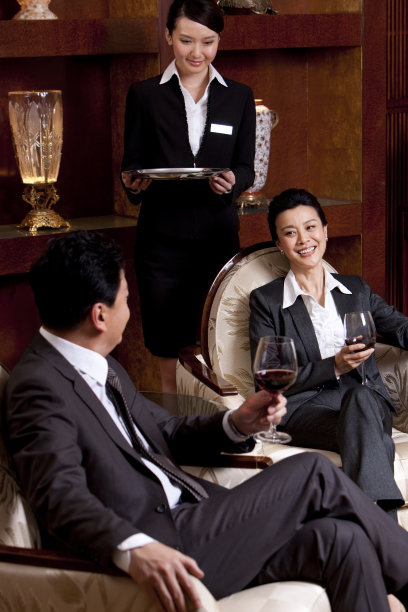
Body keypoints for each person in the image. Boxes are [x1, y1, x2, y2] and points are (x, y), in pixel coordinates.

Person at [4, 230, 408, 612]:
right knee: (313, 471)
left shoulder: (100, 364)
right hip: (162, 543)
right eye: (126, 300)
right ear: (99, 316)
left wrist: (237, 423)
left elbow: (166, 432)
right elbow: (57, 494)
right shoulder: (38, 387)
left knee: (342, 539)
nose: (129, 310)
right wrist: (132, 547)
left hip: (194, 519)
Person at [120, 0, 256, 393]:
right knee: (168, 353)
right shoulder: (144, 95)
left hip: (218, 242)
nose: (197, 52)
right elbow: (132, 163)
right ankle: (172, 429)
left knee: (216, 351)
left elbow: (246, 167)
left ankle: (213, 426)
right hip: (161, 244)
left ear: (218, 41)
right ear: (168, 37)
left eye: (208, 42)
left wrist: (234, 180)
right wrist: (133, 183)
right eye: (186, 41)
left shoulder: (239, 96)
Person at [249, 187, 408, 518]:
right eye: (290, 232)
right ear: (279, 244)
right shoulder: (267, 301)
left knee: (362, 400)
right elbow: (268, 377)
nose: (303, 239)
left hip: (366, 403)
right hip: (307, 410)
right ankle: (384, 525)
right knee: (371, 433)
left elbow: (401, 328)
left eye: (310, 227)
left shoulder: (356, 290)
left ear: (324, 231)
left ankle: (372, 527)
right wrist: (333, 365)